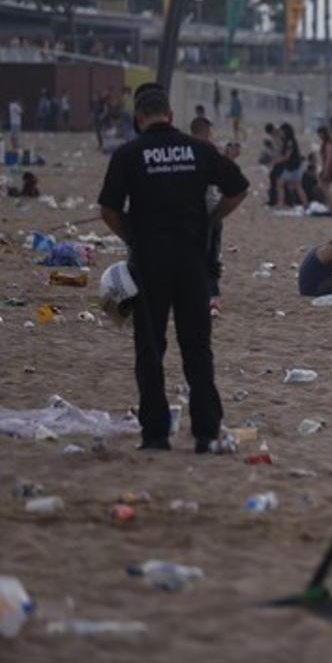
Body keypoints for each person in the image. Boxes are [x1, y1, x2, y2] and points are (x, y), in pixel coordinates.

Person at [97, 82, 249, 453]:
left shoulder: (129, 154)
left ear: (139, 117)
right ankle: (206, 433)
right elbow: (238, 188)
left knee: (150, 349)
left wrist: (132, 236)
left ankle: (155, 435)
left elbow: (108, 211)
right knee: (197, 346)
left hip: (149, 261)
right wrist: (211, 220)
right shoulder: (198, 149)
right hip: (191, 259)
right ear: (170, 115)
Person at [188, 116, 237, 315]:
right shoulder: (203, 151)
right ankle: (208, 295)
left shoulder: (190, 151)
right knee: (208, 255)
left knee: (208, 255)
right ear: (206, 131)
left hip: (207, 211)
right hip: (208, 211)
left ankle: (208, 294)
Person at [273, 123, 307, 208]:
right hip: (290, 167)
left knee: (297, 186)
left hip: (294, 167)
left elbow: (287, 156)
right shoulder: (288, 140)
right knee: (281, 183)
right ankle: (280, 204)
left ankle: (305, 204)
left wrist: (277, 160)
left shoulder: (290, 142)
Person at [317, 125, 332, 207]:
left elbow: (328, 158)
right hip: (330, 167)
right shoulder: (329, 143)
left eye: (320, 134)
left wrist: (325, 170)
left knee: (325, 187)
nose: (319, 136)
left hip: (329, 168)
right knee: (327, 187)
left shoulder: (328, 144)